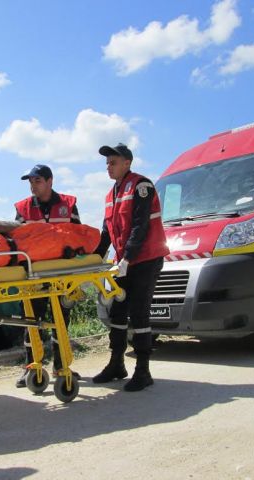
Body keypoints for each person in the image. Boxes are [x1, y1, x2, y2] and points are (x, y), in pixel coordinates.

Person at [93, 143, 169, 392]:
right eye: (107, 163)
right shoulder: (110, 195)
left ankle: (143, 370)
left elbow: (140, 225)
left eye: (113, 162)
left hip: (145, 259)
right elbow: (107, 233)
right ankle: (116, 364)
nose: (108, 166)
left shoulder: (141, 186)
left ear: (127, 163)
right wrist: (92, 260)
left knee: (139, 313)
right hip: (124, 262)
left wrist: (126, 258)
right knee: (117, 312)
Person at [14, 164, 82, 387]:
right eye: (31, 182)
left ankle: (61, 366)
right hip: (34, 274)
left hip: (62, 273)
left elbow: (78, 234)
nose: (33, 186)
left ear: (50, 181)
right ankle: (31, 368)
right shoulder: (23, 208)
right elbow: (17, 239)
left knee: (61, 321)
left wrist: (74, 250)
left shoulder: (68, 205)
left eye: (38, 181)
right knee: (32, 322)